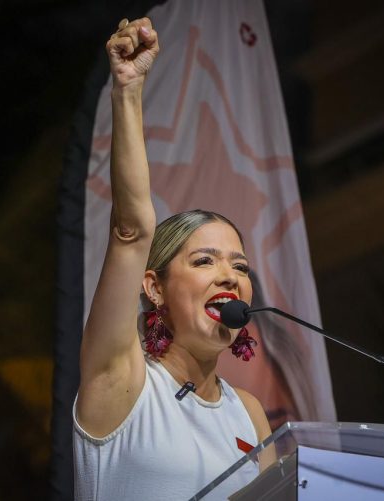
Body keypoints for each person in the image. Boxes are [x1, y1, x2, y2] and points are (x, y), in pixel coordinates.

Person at [73, 17, 273, 500]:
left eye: (240, 266)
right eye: (205, 261)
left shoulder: (249, 413)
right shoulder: (122, 379)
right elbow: (130, 232)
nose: (229, 276)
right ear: (154, 287)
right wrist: (128, 89)